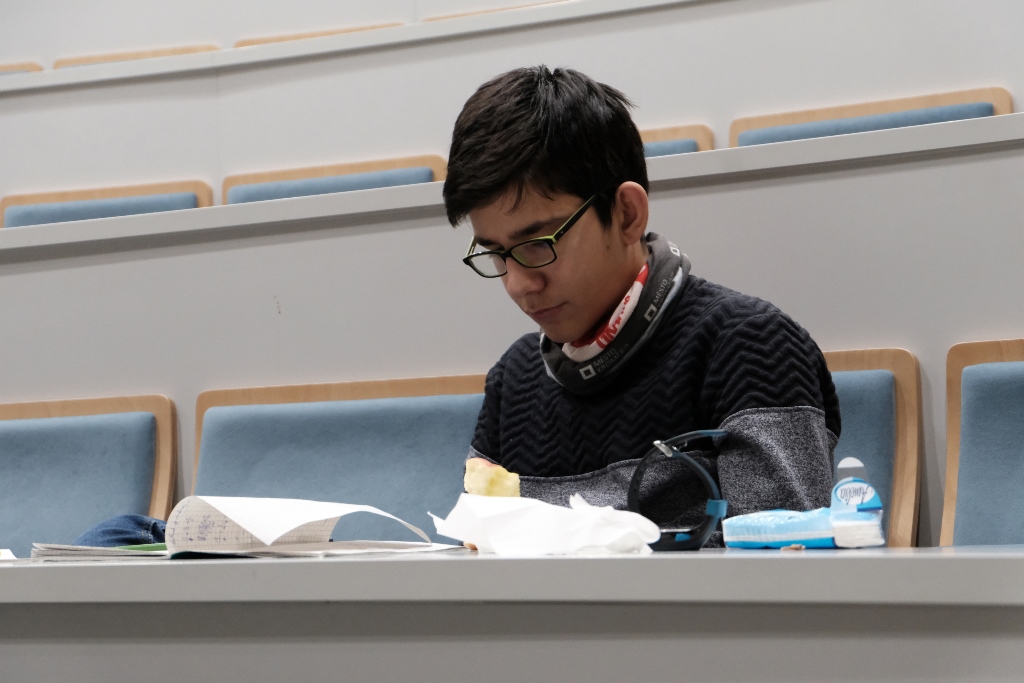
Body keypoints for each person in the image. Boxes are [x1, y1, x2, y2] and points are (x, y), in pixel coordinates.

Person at [445, 66, 839, 544]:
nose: (519, 284)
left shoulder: (749, 345)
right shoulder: (516, 378)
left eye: (538, 244)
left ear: (627, 214)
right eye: (496, 254)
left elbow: (786, 567)